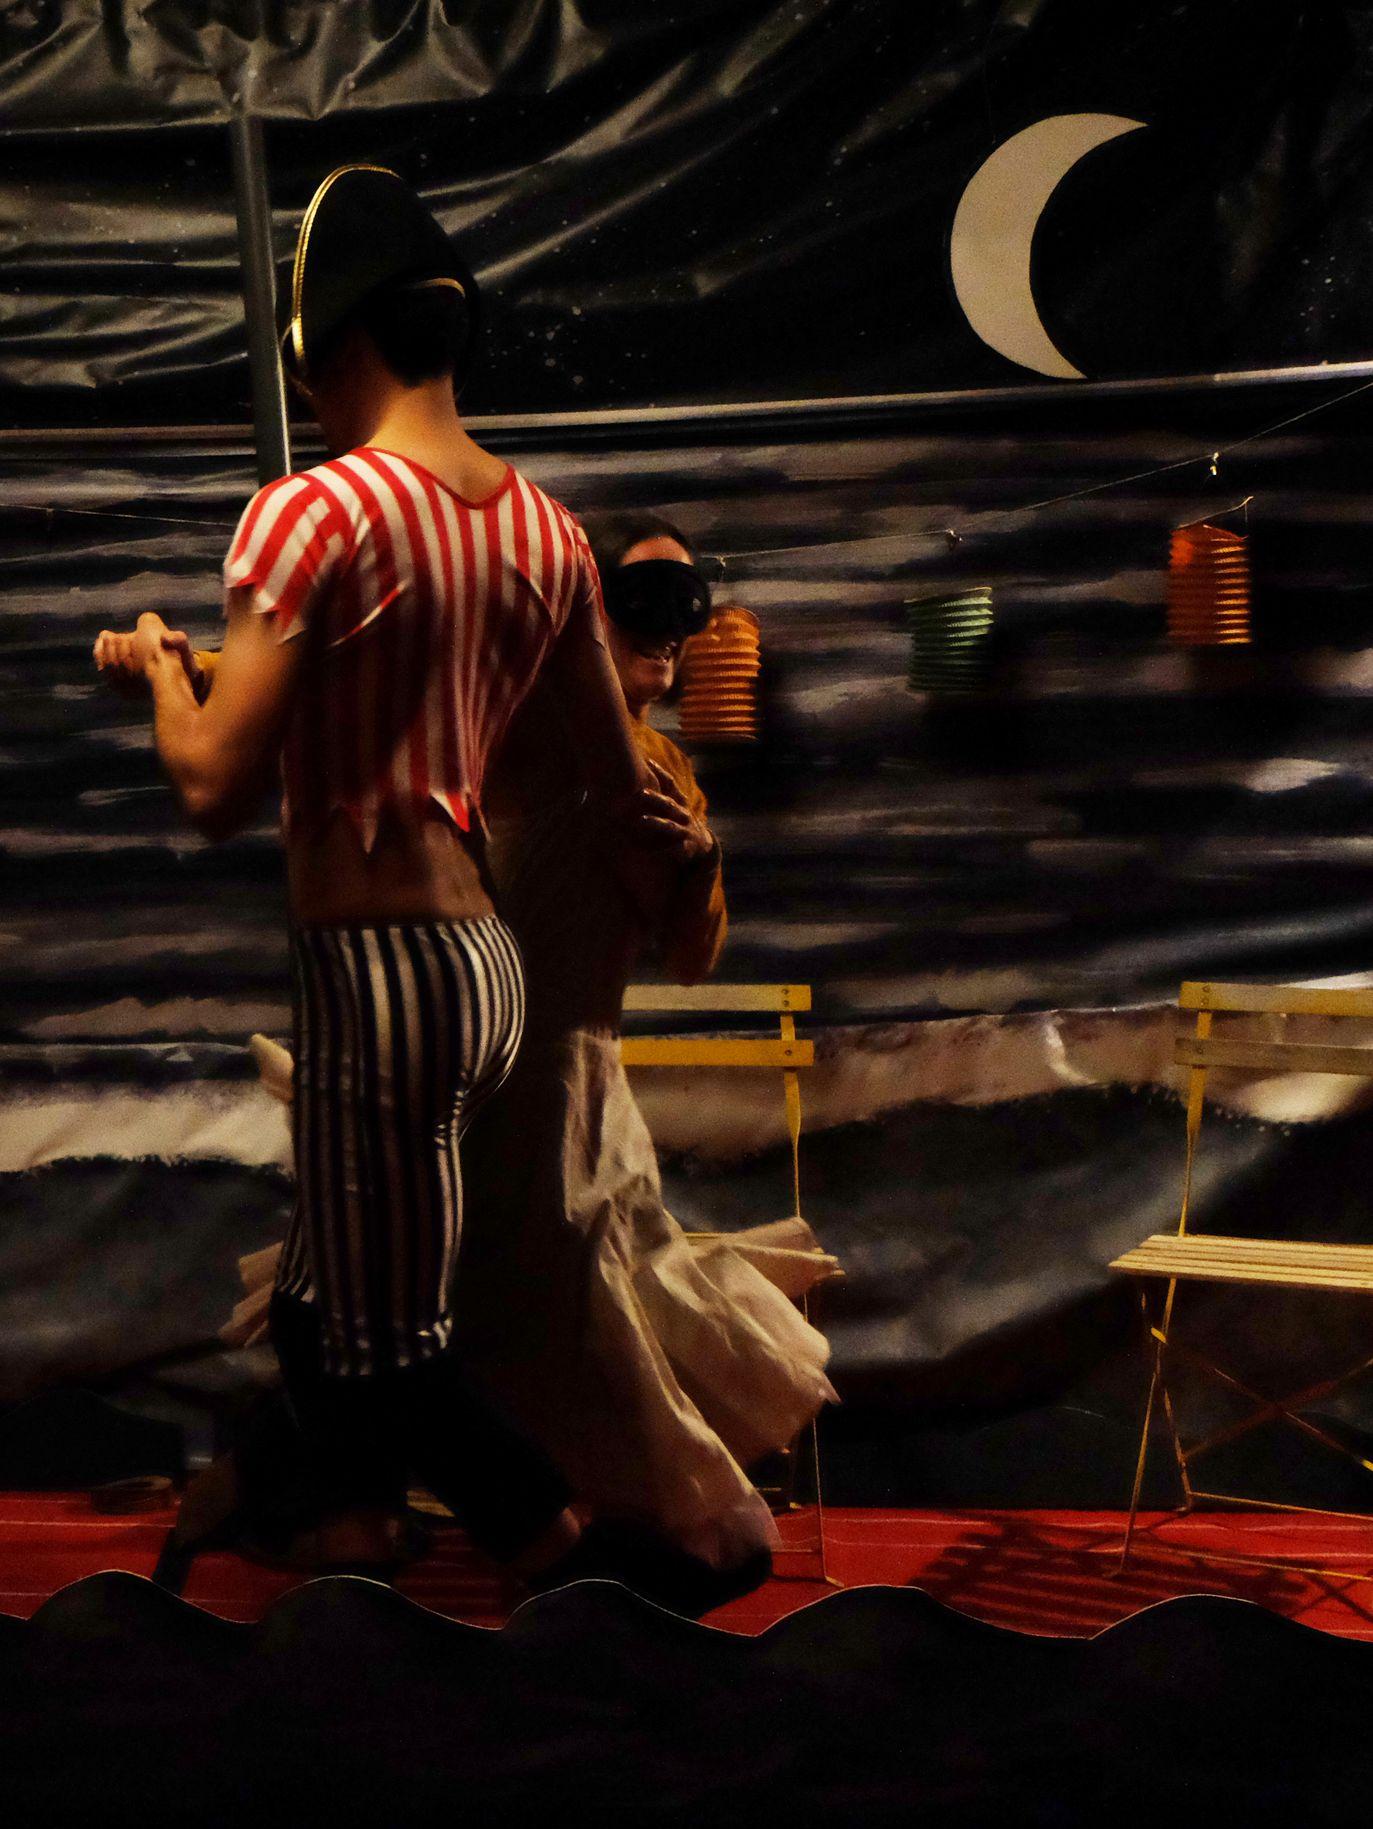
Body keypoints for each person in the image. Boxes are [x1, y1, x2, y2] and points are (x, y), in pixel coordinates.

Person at [93, 165, 652, 1590]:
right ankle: (290, 1508)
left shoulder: (309, 515)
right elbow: (603, 768)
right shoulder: (546, 532)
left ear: (329, 342)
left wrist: (160, 668)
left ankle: (550, 1547)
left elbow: (215, 785)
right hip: (482, 969)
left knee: (382, 1344)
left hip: (375, 969)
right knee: (324, 1297)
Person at [454, 511, 840, 1583]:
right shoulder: (525, 723)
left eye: (685, 606)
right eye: (642, 601)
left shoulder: (666, 766)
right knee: (527, 1296)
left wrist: (702, 859)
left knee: (601, 1290)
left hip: (588, 1074)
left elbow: (691, 958)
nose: (668, 629)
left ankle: (614, 1522)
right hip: (497, 1064)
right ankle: (557, 1523)